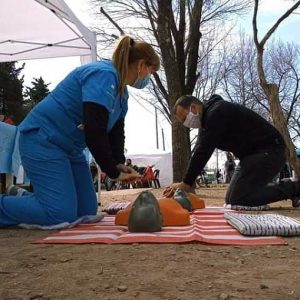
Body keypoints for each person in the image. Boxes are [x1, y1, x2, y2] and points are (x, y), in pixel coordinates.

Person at [0, 35, 160, 226]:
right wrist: (112, 171)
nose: (149, 77)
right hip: (42, 140)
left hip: (70, 148)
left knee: (86, 209)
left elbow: (116, 133)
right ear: (141, 65)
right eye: (151, 71)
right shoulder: (104, 75)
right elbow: (94, 130)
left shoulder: (122, 94)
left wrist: (118, 164)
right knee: (59, 214)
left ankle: (25, 196)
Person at [164, 94, 300, 209]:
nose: (186, 124)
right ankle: (275, 188)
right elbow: (199, 150)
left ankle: (294, 188)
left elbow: (203, 150)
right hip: (250, 156)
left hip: (270, 150)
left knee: (238, 198)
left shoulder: (217, 112)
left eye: (184, 118)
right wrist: (185, 181)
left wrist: (186, 183)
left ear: (193, 107)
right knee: (231, 199)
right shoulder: (206, 123)